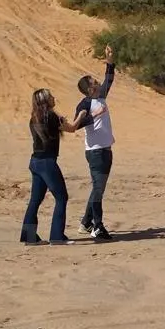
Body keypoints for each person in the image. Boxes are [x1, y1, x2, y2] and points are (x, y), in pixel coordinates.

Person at [20, 87, 80, 245]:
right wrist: (82, 116)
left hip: (35, 162)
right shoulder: (51, 116)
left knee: (35, 200)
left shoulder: (34, 117)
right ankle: (57, 236)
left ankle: (29, 237)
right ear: (46, 101)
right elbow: (72, 128)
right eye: (51, 96)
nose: (54, 98)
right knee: (61, 197)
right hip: (47, 162)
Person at [71, 45, 116, 241]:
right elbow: (75, 125)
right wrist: (92, 116)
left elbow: (110, 79)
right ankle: (97, 226)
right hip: (96, 153)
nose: (99, 82)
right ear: (90, 88)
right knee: (98, 189)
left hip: (106, 150)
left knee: (99, 188)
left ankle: (85, 223)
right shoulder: (85, 104)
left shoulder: (101, 96)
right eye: (95, 82)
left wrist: (110, 60)